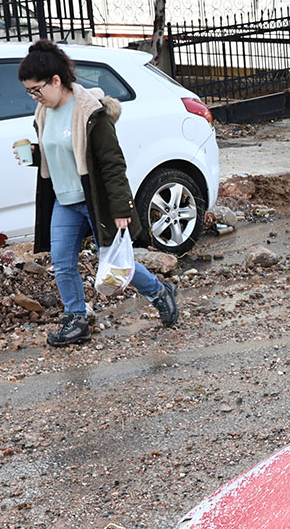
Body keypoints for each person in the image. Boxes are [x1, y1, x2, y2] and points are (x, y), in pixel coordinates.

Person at [17, 40, 179, 347]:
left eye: (36, 89)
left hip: (95, 200)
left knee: (116, 265)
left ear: (56, 80)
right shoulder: (44, 111)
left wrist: (121, 209)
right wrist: (37, 156)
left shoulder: (92, 113)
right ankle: (76, 320)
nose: (34, 96)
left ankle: (160, 292)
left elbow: (112, 165)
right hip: (64, 201)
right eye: (29, 91)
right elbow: (64, 152)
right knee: (63, 262)